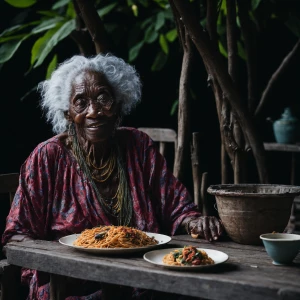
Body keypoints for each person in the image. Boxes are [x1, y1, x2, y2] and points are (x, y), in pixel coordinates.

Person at [2, 53, 223, 300]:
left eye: (103, 98)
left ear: (118, 105)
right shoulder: (48, 157)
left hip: (141, 273)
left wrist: (194, 221)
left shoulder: (138, 145)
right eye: (81, 102)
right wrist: (62, 260)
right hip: (72, 281)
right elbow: (17, 236)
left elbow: (175, 205)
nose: (94, 111)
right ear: (67, 113)